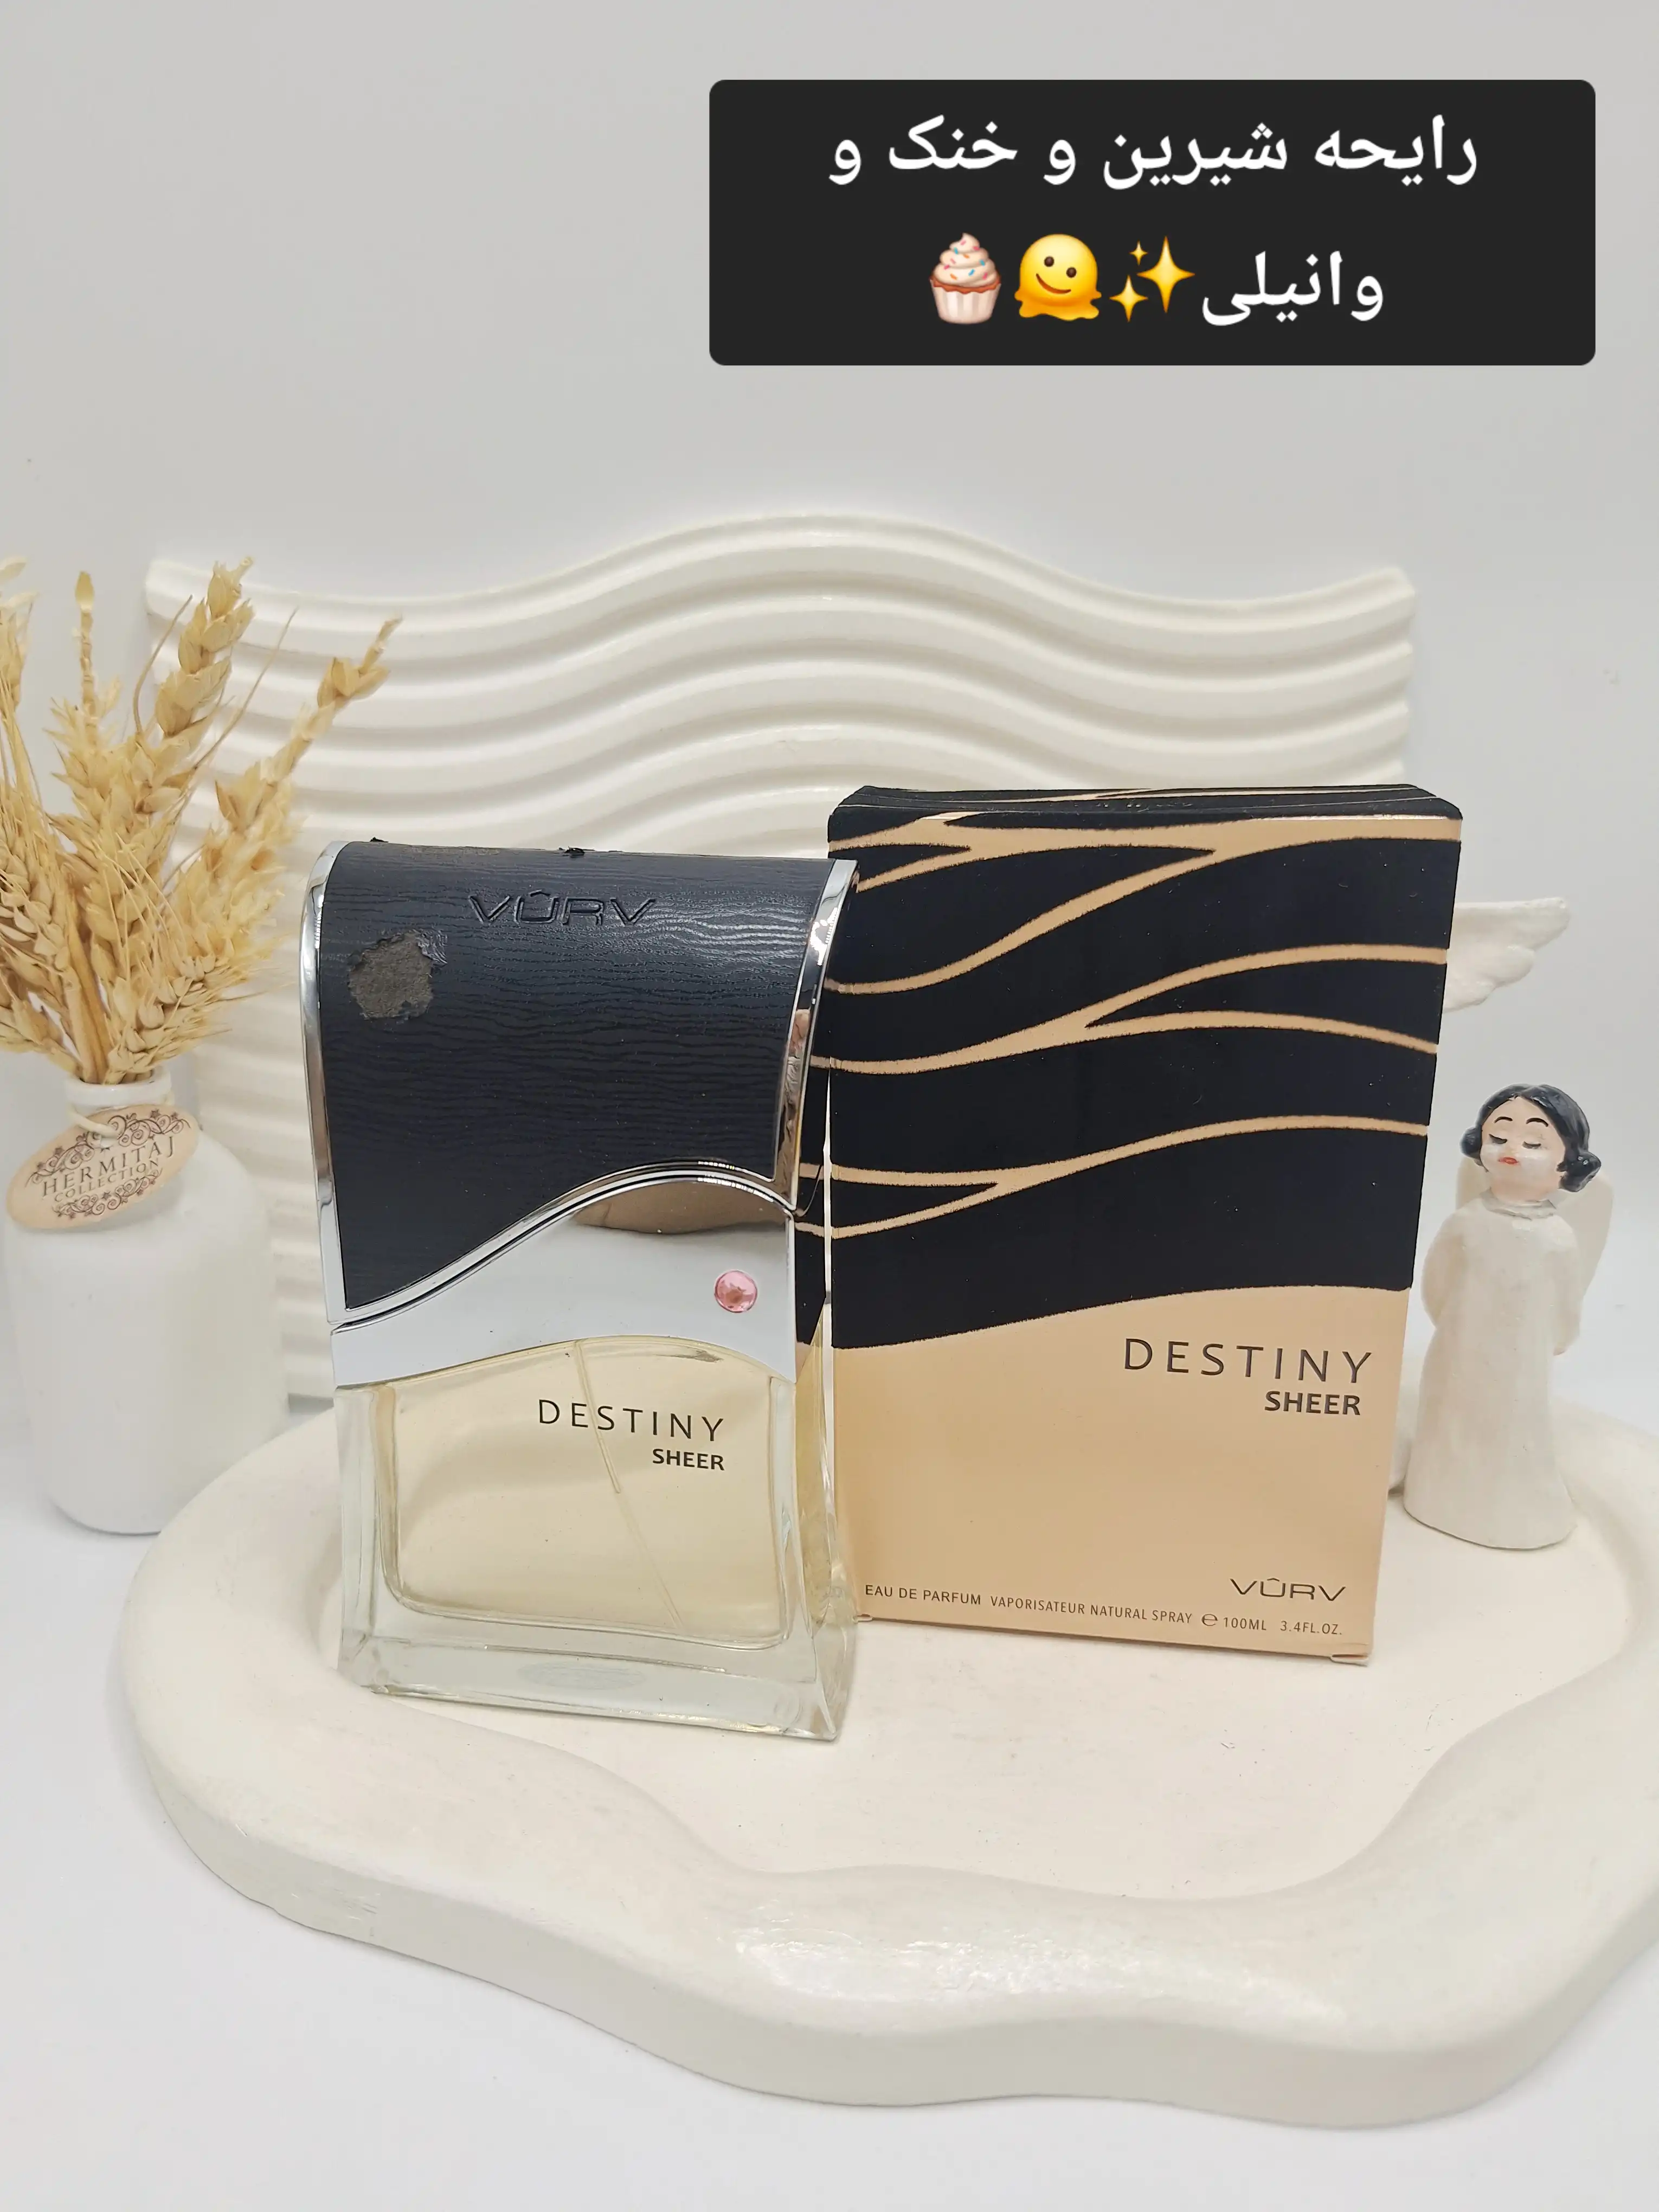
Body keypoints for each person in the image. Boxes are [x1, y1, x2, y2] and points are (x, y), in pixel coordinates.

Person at [1403, 1085, 1600, 1549]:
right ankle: (1437, 1495)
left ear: (1567, 1163)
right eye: (1499, 1137)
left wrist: (1555, 1339)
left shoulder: (1557, 1238)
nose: (1513, 1149)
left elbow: (1566, 1304)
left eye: (1534, 1143)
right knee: (1452, 1417)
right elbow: (1437, 1282)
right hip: (1461, 1347)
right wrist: (1455, 1326)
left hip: (1521, 1361)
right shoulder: (1468, 1222)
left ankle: (1510, 1511)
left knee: (1511, 1426)